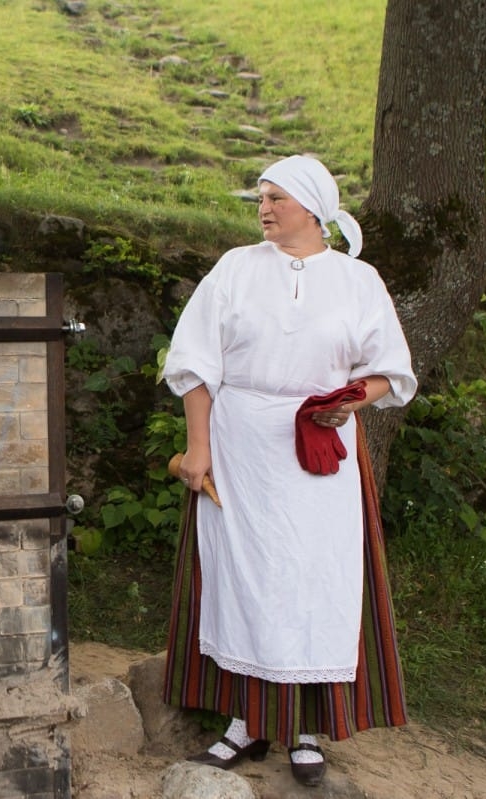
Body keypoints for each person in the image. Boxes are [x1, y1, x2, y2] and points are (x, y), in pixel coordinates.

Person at [159, 155, 417, 787]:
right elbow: (195, 364)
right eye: (261, 198)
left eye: (276, 197)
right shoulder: (235, 270)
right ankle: (243, 724)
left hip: (318, 456)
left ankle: (304, 729)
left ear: (312, 207)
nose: (264, 208)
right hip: (242, 443)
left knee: (313, 581)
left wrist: (347, 403)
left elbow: (391, 371)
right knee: (244, 577)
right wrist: (198, 450)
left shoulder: (359, 282)